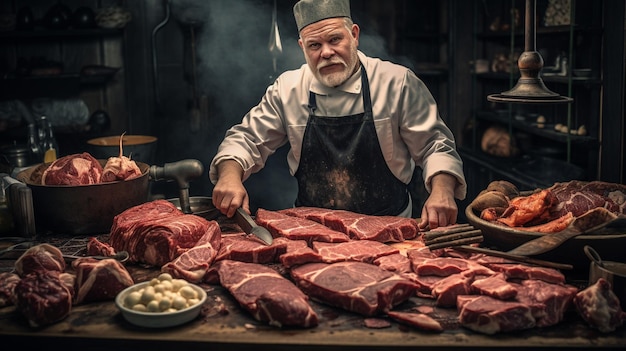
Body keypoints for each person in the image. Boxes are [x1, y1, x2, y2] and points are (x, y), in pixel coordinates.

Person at [209, 0, 466, 230]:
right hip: (311, 231)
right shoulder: (288, 89)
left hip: (389, 231)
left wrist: (442, 190)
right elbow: (246, 138)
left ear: (354, 35)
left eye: (334, 40)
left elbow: (435, 145)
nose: (326, 52)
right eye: (314, 45)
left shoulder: (396, 82)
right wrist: (230, 175)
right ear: (302, 47)